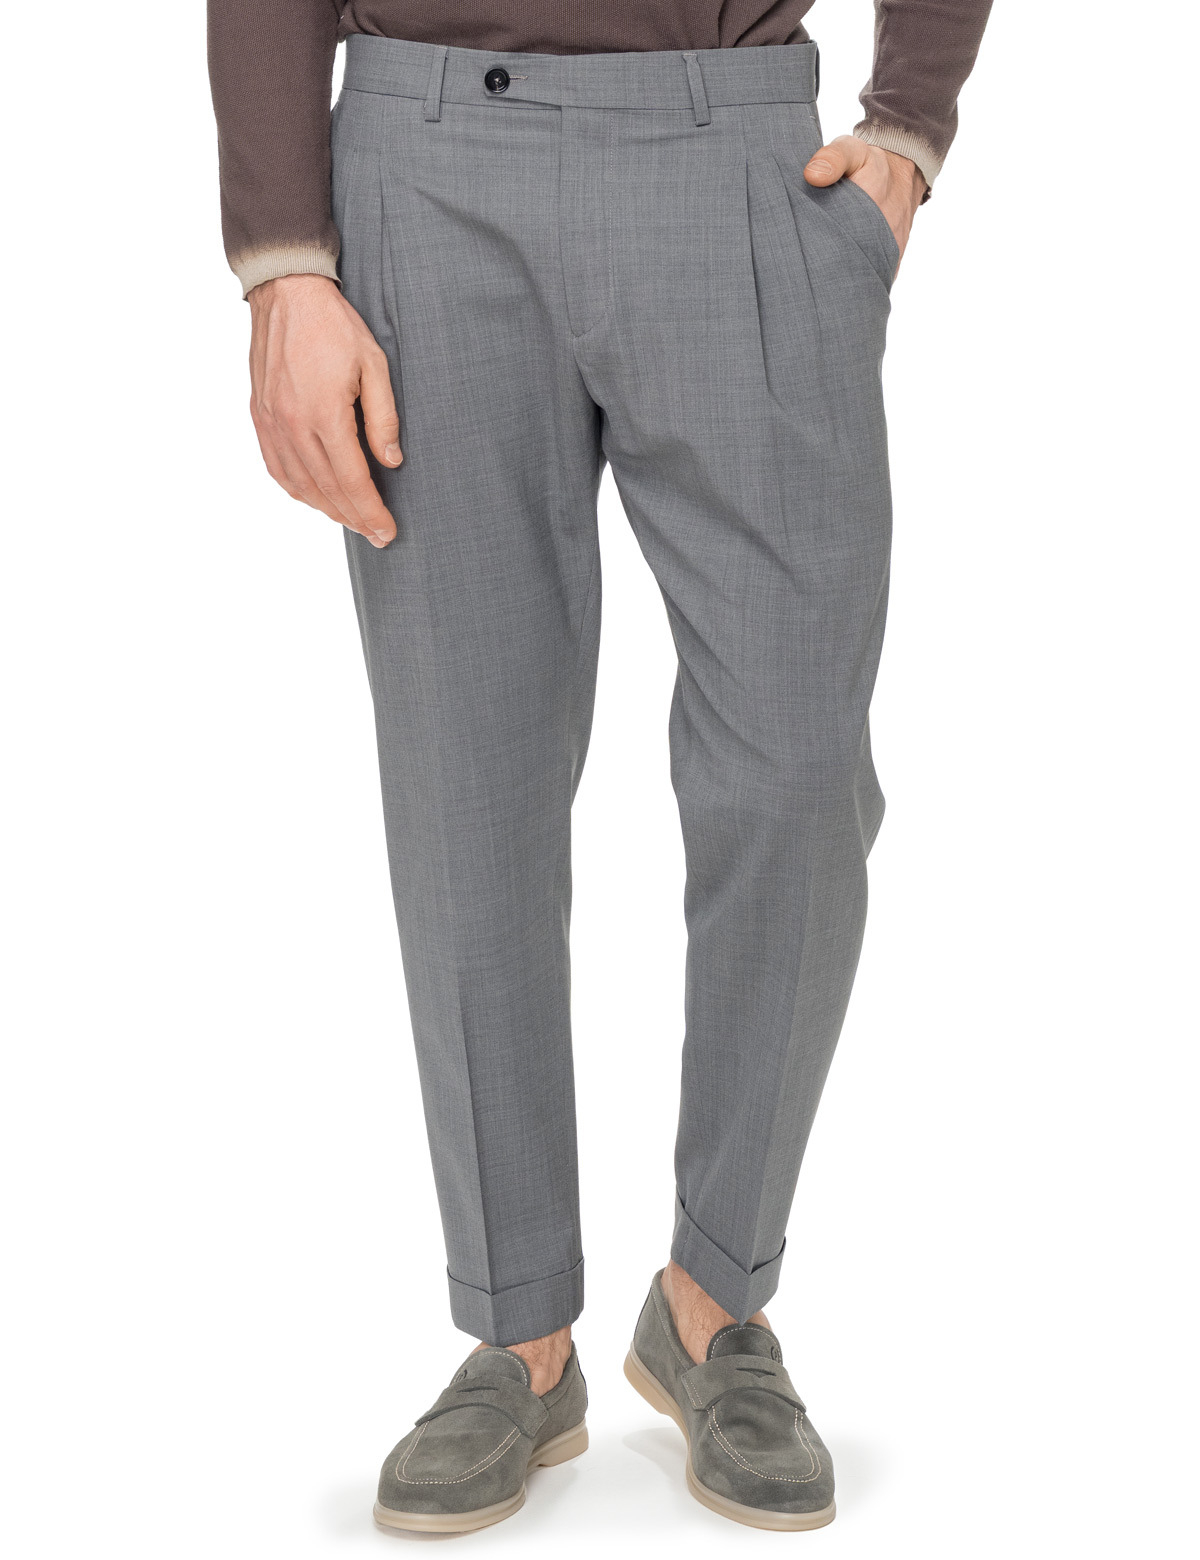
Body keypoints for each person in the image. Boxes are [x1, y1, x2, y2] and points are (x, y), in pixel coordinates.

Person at [208, 0, 991, 1535]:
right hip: (427, 169)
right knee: (468, 781)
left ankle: (715, 1301)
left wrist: (910, 120)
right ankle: (519, 1334)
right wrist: (283, 257)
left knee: (797, 774)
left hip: (739, 155)